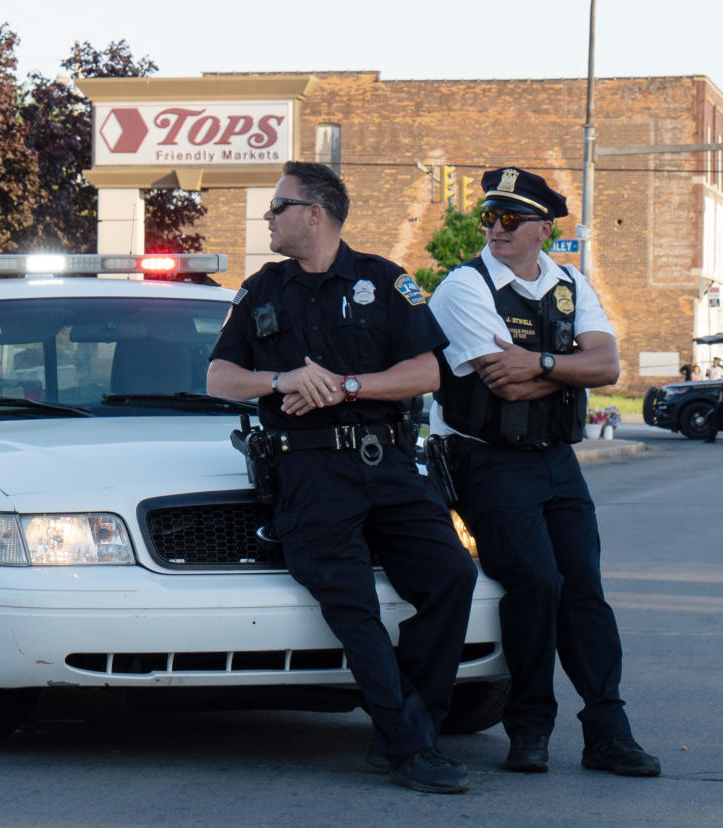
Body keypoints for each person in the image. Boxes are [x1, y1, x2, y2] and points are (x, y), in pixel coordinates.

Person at [206, 161, 478, 794]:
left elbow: (426, 374)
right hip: (307, 471)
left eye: (277, 207)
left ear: (315, 213)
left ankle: (414, 722)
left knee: (451, 577)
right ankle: (410, 746)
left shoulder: (386, 283)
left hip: (388, 464)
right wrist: (283, 380)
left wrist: (343, 386)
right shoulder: (261, 290)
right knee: (354, 609)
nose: (268, 218)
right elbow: (219, 378)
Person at [427, 166, 661, 777]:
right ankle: (528, 730)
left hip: (556, 460)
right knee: (536, 584)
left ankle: (607, 730)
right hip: (488, 461)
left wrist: (539, 363)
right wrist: (564, 370)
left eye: (510, 219)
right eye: (489, 217)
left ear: (542, 229)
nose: (495, 229)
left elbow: (607, 366)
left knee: (584, 589)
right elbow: (498, 381)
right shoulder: (464, 285)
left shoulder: (569, 283)